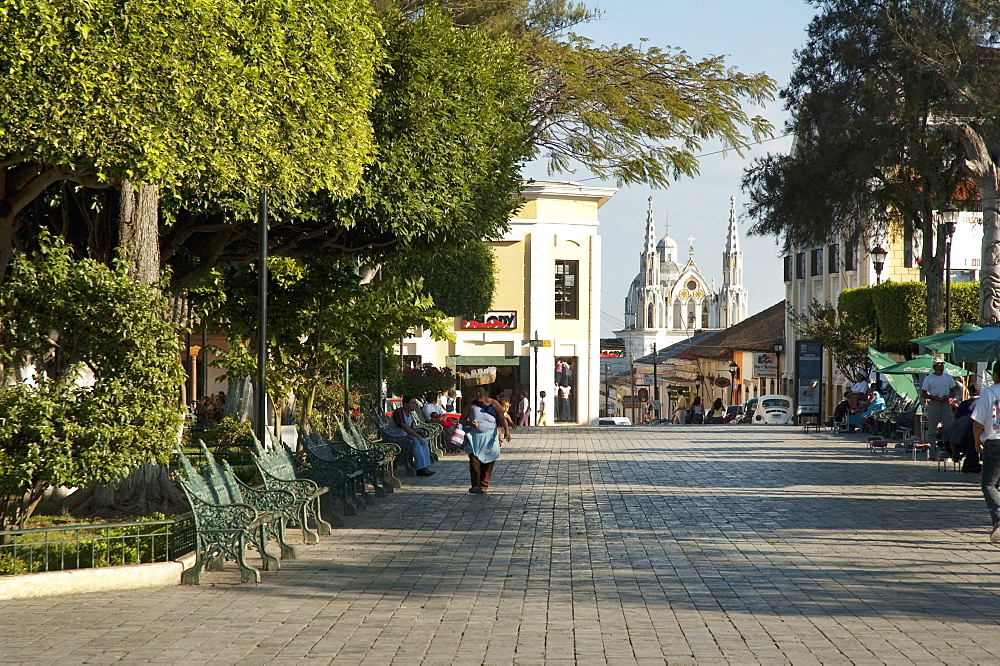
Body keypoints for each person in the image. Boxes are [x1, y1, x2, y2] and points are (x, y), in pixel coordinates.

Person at [971, 362, 1000, 540]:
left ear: (996, 375)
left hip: (994, 442)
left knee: (989, 484)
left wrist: (976, 441)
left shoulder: (989, 393)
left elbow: (978, 422)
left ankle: (998, 518)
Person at [462, 386, 507, 494]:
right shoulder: (471, 405)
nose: (478, 394)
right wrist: (469, 423)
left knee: (488, 461)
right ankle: (475, 485)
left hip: (490, 437)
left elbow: (501, 417)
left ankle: (483, 485)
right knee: (474, 461)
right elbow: (462, 419)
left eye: (480, 392)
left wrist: (507, 432)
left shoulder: (494, 403)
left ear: (487, 392)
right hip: (475, 437)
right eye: (476, 392)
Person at [388, 395, 435, 476]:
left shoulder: (410, 414)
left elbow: (411, 429)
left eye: (415, 403)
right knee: (416, 441)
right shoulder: (398, 413)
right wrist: (417, 437)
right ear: (405, 404)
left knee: (423, 441)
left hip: (404, 437)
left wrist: (418, 437)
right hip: (395, 438)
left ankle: (425, 466)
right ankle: (420, 469)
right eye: (412, 403)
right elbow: (405, 427)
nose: (414, 405)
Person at [921, 359, 958, 440]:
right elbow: (923, 394)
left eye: (942, 365)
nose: (941, 367)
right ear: (934, 368)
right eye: (939, 366)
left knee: (949, 427)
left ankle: (948, 448)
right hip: (934, 403)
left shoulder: (948, 377)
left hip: (945, 403)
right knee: (932, 428)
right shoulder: (928, 378)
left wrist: (947, 396)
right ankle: (932, 449)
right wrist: (934, 397)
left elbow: (953, 392)